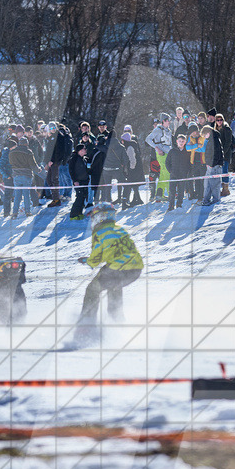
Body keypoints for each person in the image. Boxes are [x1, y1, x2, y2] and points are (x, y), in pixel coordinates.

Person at [76, 202, 143, 335]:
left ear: (100, 217)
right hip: (136, 269)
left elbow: (96, 258)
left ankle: (86, 326)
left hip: (118, 268)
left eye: (94, 217)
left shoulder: (99, 231)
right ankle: (117, 321)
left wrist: (89, 261)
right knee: (114, 286)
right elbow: (113, 250)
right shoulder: (120, 228)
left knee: (92, 290)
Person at [69, 141, 91, 220]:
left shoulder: (84, 158)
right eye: (84, 149)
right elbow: (71, 170)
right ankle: (73, 214)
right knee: (79, 197)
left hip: (84, 181)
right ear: (80, 150)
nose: (85, 150)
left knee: (83, 196)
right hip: (78, 181)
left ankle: (79, 212)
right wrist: (75, 180)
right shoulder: (74, 158)